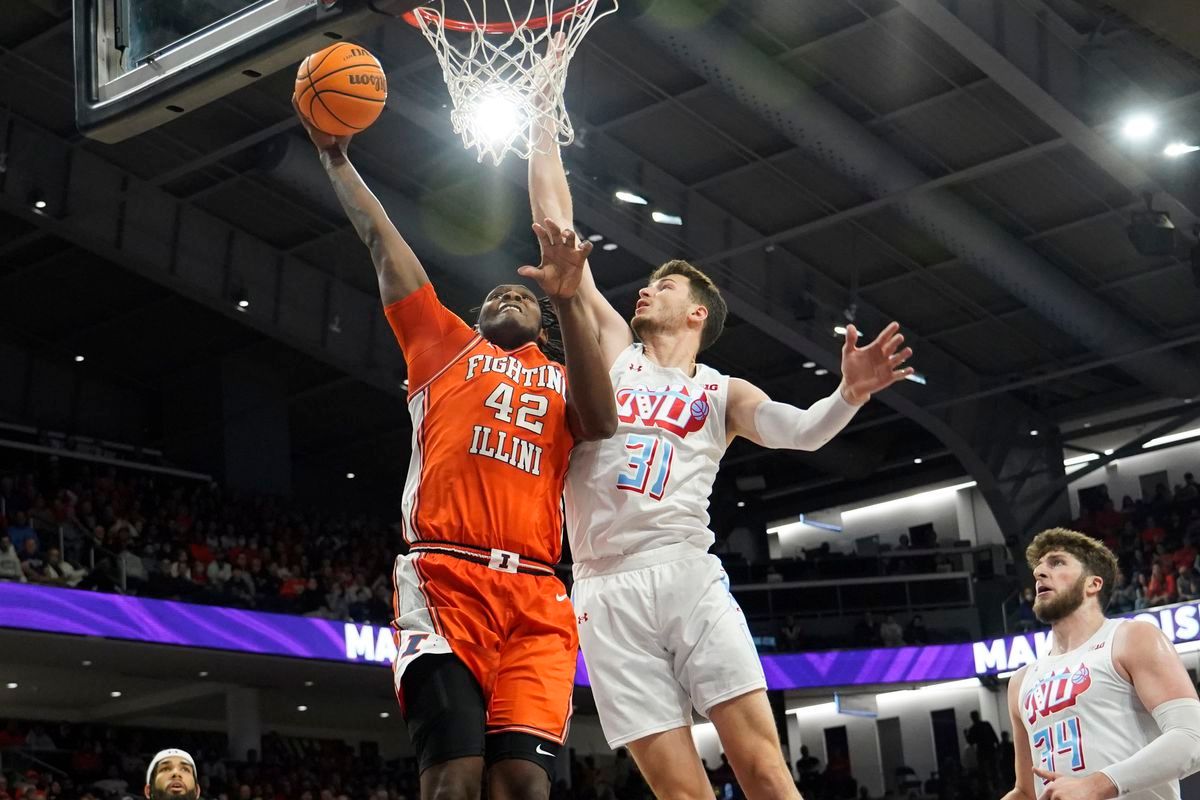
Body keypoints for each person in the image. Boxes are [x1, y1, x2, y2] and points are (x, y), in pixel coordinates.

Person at [527, 44, 914, 800]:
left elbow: (802, 433)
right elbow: (553, 221)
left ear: (697, 312)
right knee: (680, 794)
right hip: (602, 586)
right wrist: (543, 115)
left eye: (662, 286)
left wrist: (851, 394)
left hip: (686, 574)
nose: (646, 291)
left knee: (764, 771)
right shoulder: (609, 345)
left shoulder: (721, 390)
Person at [297, 98, 616, 800]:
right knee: (454, 780)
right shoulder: (443, 348)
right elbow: (384, 246)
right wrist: (336, 160)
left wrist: (568, 298)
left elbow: (602, 422)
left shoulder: (564, 377)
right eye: (497, 294)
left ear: (544, 318)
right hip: (446, 581)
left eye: (525, 295)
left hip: (536, 591)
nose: (510, 294)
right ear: (474, 318)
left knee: (524, 785)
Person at [1000, 528, 1200, 800]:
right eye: (1038, 567)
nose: (1039, 572)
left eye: (1057, 562)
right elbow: (1026, 792)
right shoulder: (1021, 681)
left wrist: (1097, 783)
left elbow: (1192, 738)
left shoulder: (1131, 638)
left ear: (1092, 584)